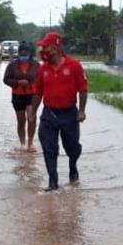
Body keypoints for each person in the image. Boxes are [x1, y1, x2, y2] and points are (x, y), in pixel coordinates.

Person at [30, 32, 88, 191]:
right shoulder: (43, 69)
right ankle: (53, 182)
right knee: (49, 148)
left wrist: (82, 111)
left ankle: (73, 164)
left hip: (69, 114)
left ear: (55, 47)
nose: (43, 50)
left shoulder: (74, 66)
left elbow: (83, 90)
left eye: (45, 47)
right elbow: (38, 92)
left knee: (73, 147)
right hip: (49, 114)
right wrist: (33, 112)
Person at [3, 42, 40, 152]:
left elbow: (41, 79)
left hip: (32, 95)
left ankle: (30, 143)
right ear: (18, 53)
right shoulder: (12, 65)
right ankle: (22, 143)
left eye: (26, 53)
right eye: (21, 54)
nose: (24, 56)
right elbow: (6, 80)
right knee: (21, 120)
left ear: (29, 53)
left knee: (31, 118)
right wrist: (18, 82)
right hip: (17, 96)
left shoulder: (36, 65)